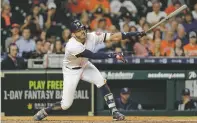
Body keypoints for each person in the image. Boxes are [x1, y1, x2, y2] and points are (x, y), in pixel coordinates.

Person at [33, 20, 146, 121]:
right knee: (66, 105)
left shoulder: (91, 36)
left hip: (85, 65)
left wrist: (135, 34)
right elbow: (93, 55)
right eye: (78, 30)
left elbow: (113, 36)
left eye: (82, 28)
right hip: (71, 71)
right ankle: (46, 111)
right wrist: (114, 54)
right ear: (73, 34)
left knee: (102, 81)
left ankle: (114, 112)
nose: (82, 31)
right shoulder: (72, 45)